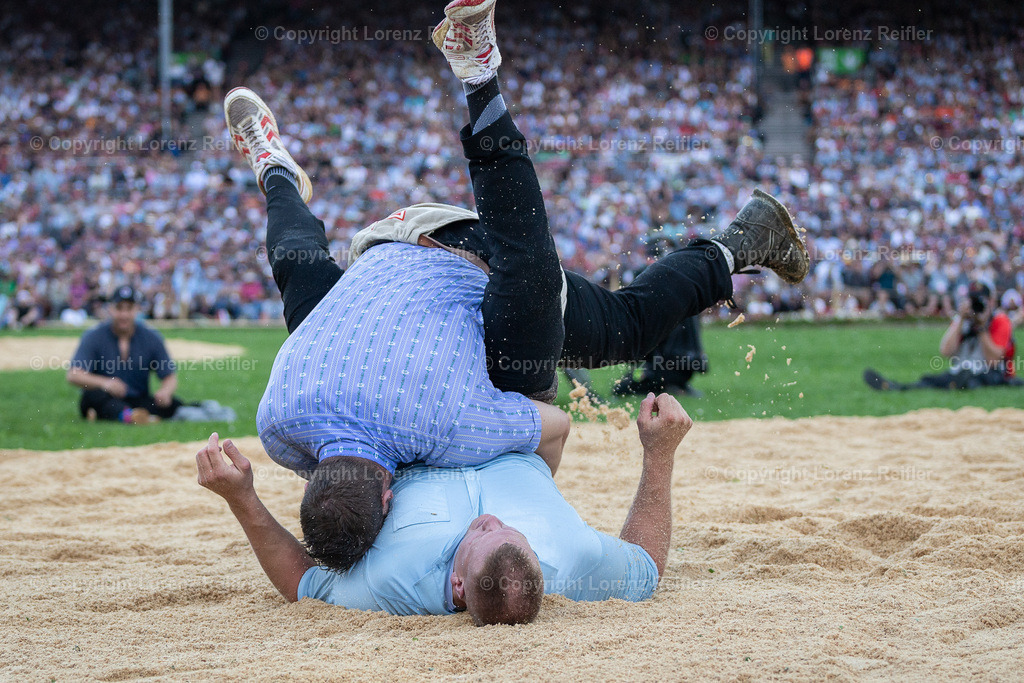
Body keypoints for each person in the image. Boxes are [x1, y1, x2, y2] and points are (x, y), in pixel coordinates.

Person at [224, 0, 809, 583]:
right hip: (377, 253)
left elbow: (550, 424)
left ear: (388, 495)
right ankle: (274, 168)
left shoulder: (448, 426)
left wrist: (524, 478)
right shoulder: (278, 425)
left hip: (477, 258)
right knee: (304, 293)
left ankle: (481, 77)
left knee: (603, 330)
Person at [197, 390, 690, 625]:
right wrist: (660, 452)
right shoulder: (573, 558)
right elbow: (646, 563)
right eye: (511, 530)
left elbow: (300, 582)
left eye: (480, 533)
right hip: (506, 409)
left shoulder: (389, 583)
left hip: (415, 427)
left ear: (457, 587)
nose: (491, 519)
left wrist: (242, 499)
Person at [864, 282, 1019, 391]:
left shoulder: (999, 320)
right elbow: (945, 351)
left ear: (991, 302)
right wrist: (961, 320)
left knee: (969, 378)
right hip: (962, 370)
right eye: (972, 300)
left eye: (980, 300)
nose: (975, 305)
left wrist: (981, 328)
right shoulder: (963, 320)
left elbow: (993, 361)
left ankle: (957, 383)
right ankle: (895, 387)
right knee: (931, 380)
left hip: (990, 373)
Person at [66, 285, 187, 423]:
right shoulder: (94, 336)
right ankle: (131, 416)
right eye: (119, 309)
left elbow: (169, 376)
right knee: (93, 396)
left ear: (137, 309)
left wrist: (165, 391)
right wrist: (105, 383)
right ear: (110, 309)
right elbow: (73, 374)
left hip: (137, 398)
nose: (124, 315)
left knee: (173, 404)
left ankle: (132, 415)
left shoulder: (151, 337)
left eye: (129, 309)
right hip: (106, 396)